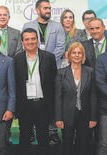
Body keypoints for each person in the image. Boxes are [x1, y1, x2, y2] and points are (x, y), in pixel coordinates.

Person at [15, 28, 56, 155]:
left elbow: (53, 84)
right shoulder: (17, 59)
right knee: (24, 142)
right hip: (25, 107)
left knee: (43, 142)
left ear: (37, 40)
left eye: (33, 39)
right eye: (27, 39)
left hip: (43, 105)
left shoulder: (49, 57)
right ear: (22, 41)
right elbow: (16, 86)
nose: (30, 42)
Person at [55, 42, 97, 155]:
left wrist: (93, 117)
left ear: (83, 55)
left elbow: (93, 96)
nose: (77, 55)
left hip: (85, 117)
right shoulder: (61, 72)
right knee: (67, 148)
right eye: (74, 53)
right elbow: (58, 97)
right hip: (67, 117)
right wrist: (58, 118)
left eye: (79, 53)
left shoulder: (90, 71)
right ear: (69, 55)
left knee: (83, 147)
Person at [22, 0, 64, 144]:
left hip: (52, 69)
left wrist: (46, 61)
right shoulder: (27, 26)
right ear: (37, 10)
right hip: (32, 68)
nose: (48, 10)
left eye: (49, 8)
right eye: (45, 8)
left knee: (50, 99)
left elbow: (60, 47)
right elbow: (26, 46)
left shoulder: (57, 26)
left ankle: (52, 131)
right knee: (33, 100)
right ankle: (33, 131)